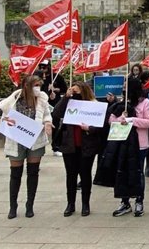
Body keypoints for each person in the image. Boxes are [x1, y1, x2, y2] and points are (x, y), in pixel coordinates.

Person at [0, 75, 52, 219]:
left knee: (33, 172)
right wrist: (6, 120)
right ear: (27, 86)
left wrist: (47, 123)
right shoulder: (13, 100)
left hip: (35, 140)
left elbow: (47, 115)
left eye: (39, 85)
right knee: (15, 173)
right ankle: (13, 206)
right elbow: (4, 117)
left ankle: (30, 205)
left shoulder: (42, 99)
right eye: (36, 85)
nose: (38, 88)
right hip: (16, 139)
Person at [52, 81, 105, 217]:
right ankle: (71, 204)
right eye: (73, 91)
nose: (75, 94)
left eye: (77, 92)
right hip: (69, 145)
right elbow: (56, 113)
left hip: (87, 145)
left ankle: (85, 204)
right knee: (71, 175)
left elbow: (101, 125)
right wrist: (66, 97)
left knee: (85, 174)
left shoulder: (93, 104)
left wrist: (90, 129)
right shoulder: (68, 102)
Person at [109, 78, 149, 217]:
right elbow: (111, 120)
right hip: (123, 143)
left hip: (140, 144)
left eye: (126, 86)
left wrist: (131, 120)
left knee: (138, 172)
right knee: (123, 172)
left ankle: (139, 200)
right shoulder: (122, 104)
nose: (123, 88)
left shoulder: (144, 103)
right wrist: (120, 119)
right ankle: (125, 201)